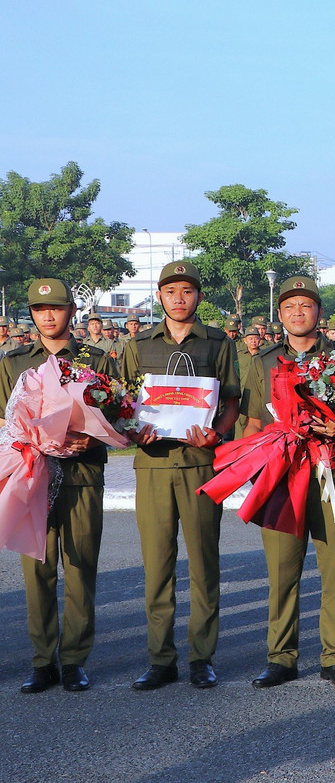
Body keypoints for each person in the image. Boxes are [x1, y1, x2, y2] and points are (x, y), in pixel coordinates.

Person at [121, 261, 240, 690]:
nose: (179, 298)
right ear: (159, 296)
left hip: (200, 464)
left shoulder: (217, 343)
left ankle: (201, 657)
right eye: (171, 291)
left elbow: (231, 401)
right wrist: (134, 430)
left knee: (204, 561)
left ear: (199, 297)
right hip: (153, 464)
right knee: (157, 564)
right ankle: (160, 658)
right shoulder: (138, 344)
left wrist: (218, 435)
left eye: (187, 291)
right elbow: (121, 401)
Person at [241, 276, 335, 688]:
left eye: (306, 306)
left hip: (332, 472)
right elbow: (254, 420)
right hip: (281, 474)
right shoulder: (263, 362)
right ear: (280, 315)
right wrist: (253, 467)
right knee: (282, 569)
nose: (298, 312)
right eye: (290, 306)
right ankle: (281, 657)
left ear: (319, 313)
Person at [2, 280, 115, 693]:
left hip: (83, 475)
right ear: (30, 314)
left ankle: (74, 660)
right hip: (32, 474)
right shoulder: (14, 362)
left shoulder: (96, 359)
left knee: (81, 566)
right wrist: (31, 440)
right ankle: (42, 660)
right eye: (38, 309)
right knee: (38, 569)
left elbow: (120, 416)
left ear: (71, 310)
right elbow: (4, 420)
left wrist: (93, 436)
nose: (48, 316)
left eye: (56, 308)